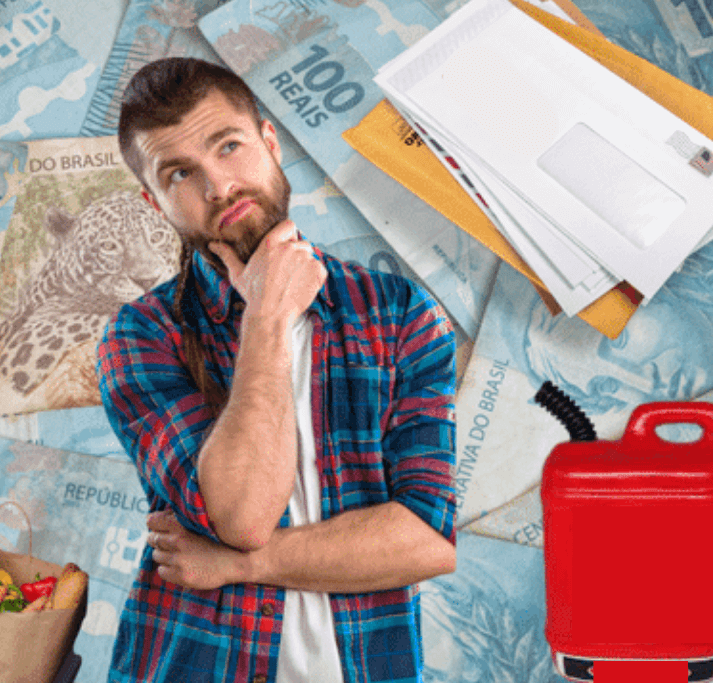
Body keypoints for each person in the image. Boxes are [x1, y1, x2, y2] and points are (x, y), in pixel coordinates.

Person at [97, 57, 458, 682]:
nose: (219, 187)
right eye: (181, 173)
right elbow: (241, 514)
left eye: (228, 147)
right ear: (154, 203)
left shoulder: (401, 315)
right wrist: (267, 317)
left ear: (269, 141)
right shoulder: (142, 335)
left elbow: (425, 540)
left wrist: (240, 565)